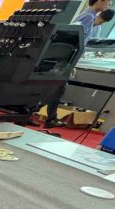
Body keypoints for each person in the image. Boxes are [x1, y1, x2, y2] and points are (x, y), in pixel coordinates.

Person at [45, 0, 112, 128]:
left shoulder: (90, 17)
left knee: (56, 88)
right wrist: (70, 62)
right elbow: (75, 38)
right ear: (99, 1)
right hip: (66, 58)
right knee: (56, 88)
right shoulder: (88, 17)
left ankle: (44, 116)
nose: (108, 6)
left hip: (68, 58)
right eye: (107, 2)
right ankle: (47, 118)